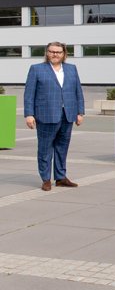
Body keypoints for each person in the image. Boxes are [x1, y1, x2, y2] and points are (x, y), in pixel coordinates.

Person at [24, 41, 84, 191]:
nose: (54, 54)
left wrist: (80, 112)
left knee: (62, 148)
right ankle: (46, 179)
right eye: (51, 51)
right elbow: (29, 94)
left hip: (68, 114)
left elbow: (78, 91)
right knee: (45, 149)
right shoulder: (36, 69)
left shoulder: (71, 69)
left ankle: (61, 177)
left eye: (58, 52)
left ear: (64, 54)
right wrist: (29, 114)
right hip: (46, 115)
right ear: (47, 53)